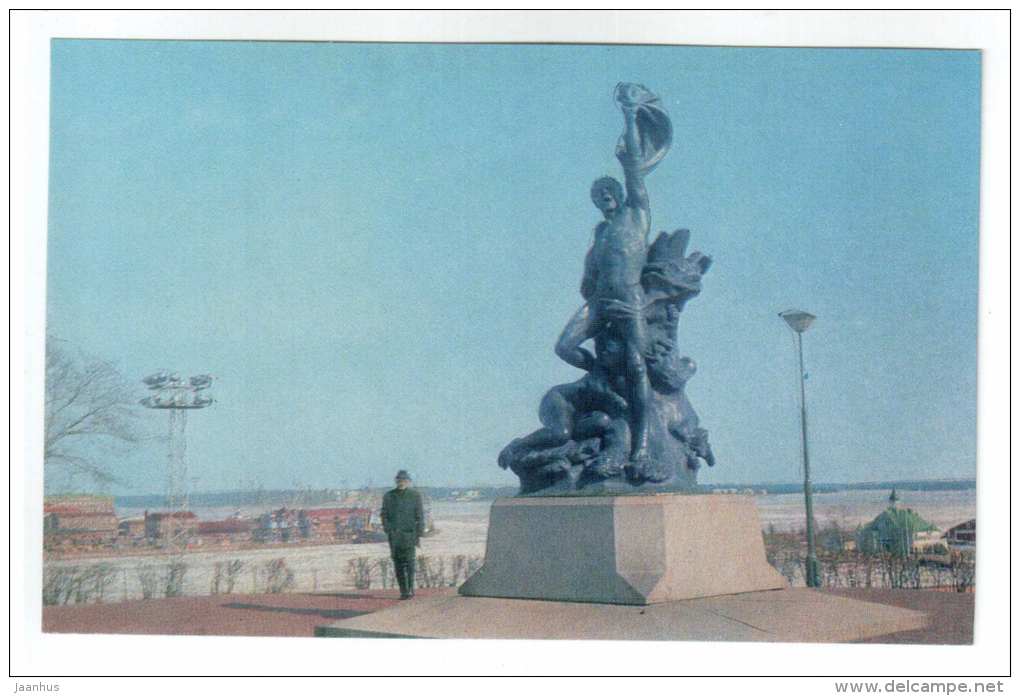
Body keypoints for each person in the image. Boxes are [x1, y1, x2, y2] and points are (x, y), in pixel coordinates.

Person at [555, 83, 662, 476]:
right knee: (564, 347)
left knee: (637, 369)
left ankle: (642, 447)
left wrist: (630, 116)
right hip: (599, 303)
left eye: (607, 192)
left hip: (629, 301)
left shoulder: (637, 215)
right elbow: (588, 277)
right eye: (597, 196)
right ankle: (599, 376)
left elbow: (633, 163)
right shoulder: (600, 234)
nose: (603, 198)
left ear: (619, 193)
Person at [380, 470, 425, 599]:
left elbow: (420, 515)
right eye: (399, 480)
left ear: (409, 481)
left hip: (410, 534)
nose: (402, 482)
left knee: (410, 563)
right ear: (396, 481)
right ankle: (403, 591)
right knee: (398, 563)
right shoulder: (389, 496)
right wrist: (388, 529)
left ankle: (410, 589)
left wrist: (419, 532)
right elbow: (384, 514)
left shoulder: (415, 495)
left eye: (404, 480)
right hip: (394, 536)